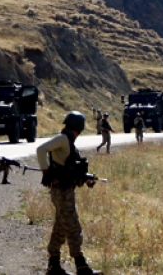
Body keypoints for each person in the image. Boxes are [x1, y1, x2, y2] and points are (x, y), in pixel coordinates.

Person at [36, 111, 102, 275]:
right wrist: (46, 172)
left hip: (65, 190)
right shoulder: (63, 139)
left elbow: (71, 169)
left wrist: (85, 179)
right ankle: (82, 266)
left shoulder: (68, 142)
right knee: (72, 226)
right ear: (78, 127)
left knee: (60, 227)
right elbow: (41, 149)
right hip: (62, 191)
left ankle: (54, 266)